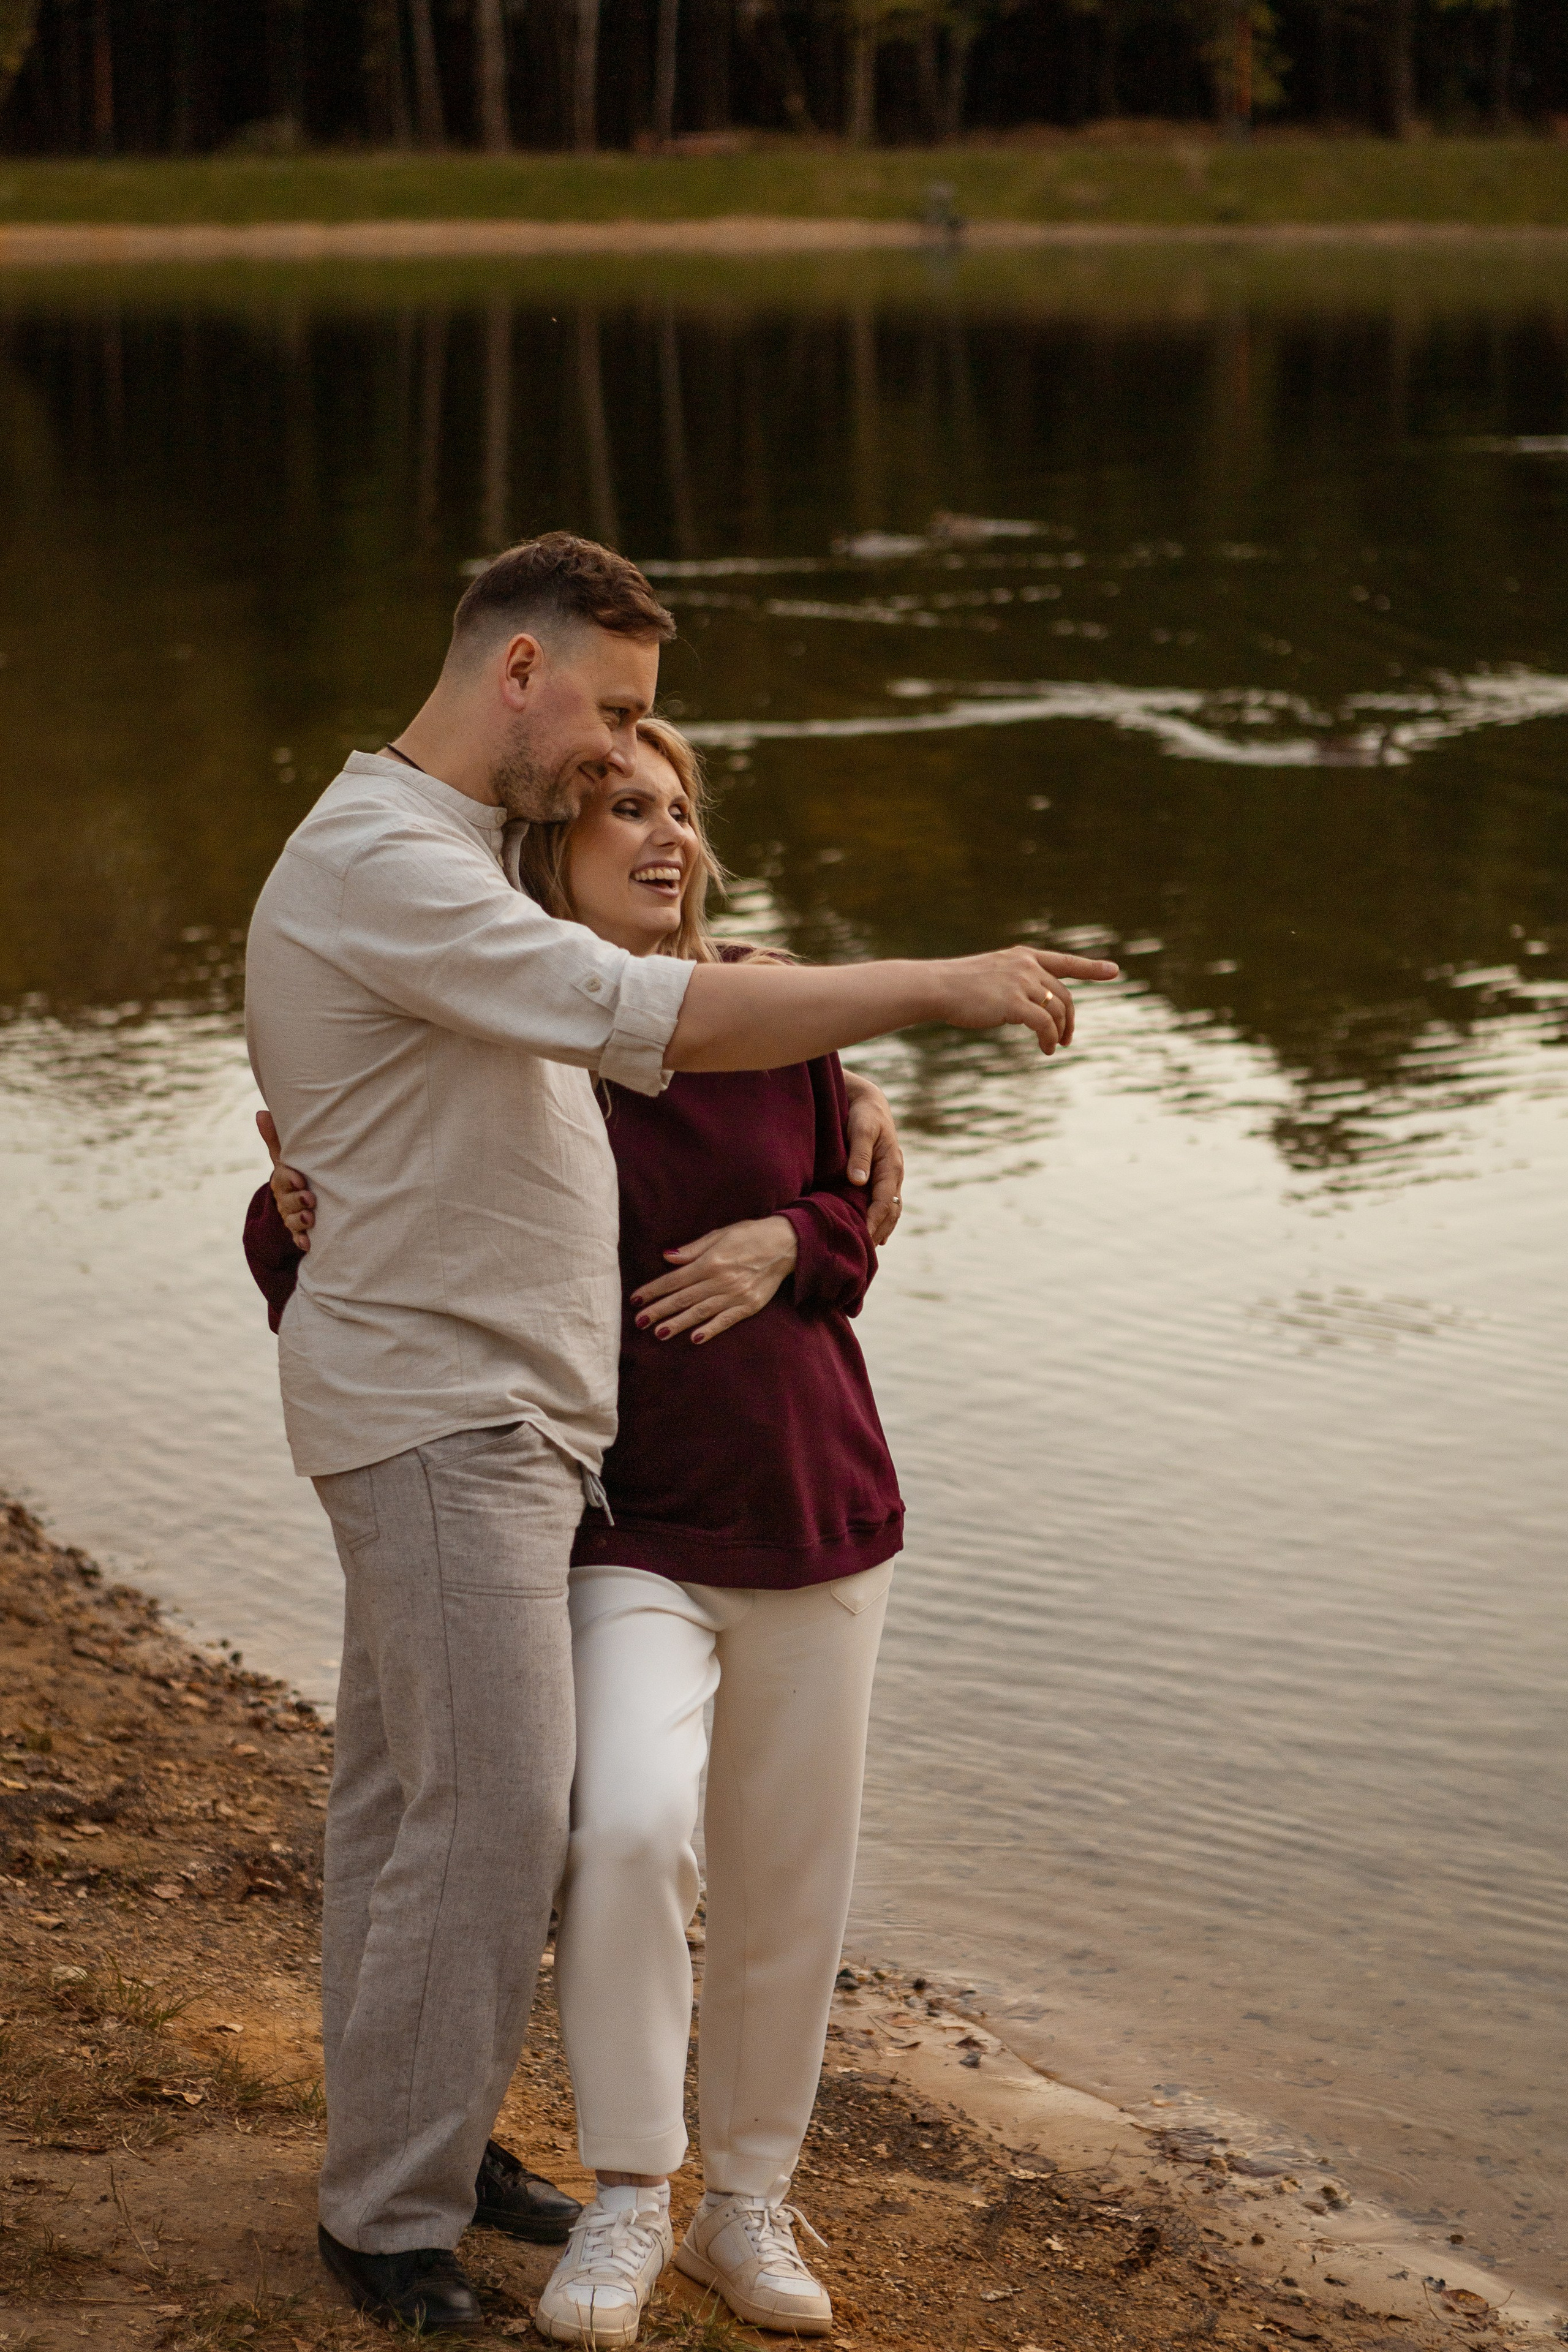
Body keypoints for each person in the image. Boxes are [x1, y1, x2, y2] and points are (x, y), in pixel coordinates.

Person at [243, 530, 1115, 2335]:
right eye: (613, 712)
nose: (622, 756)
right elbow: (637, 1012)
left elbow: (605, 1020)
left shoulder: (447, 854)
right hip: (446, 1406)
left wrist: (832, 1118)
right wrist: (935, 986)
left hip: (497, 1409)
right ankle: (390, 2215)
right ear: (520, 670)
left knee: (410, 1807)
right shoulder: (390, 860)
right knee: (498, 1813)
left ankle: (427, 2141)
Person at [254, 715, 906, 2345]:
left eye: (679, 808)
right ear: (548, 848)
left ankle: (743, 2206)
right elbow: (353, 1223)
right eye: (622, 808)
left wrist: (795, 1239)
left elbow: (854, 1216)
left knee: (790, 1885)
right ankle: (630, 2188)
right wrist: (291, 1213)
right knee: (614, 1829)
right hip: (621, 1518)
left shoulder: (769, 1011)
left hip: (817, 1496)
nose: (665, 833)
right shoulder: (503, 1034)